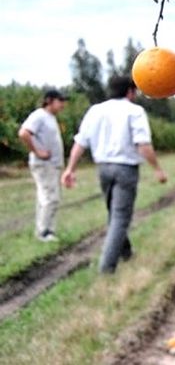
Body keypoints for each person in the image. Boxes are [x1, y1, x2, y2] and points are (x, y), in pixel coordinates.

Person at [61, 76, 167, 274]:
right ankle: (107, 267)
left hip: (103, 168)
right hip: (125, 168)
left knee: (114, 213)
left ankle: (126, 253)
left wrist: (70, 169)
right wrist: (158, 169)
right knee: (119, 216)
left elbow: (80, 142)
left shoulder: (96, 110)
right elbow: (143, 144)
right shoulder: (134, 111)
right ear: (130, 91)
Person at [18, 89, 68, 242]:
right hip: (44, 164)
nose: (63, 105)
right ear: (49, 100)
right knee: (50, 198)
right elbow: (24, 133)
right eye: (60, 101)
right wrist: (38, 151)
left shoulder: (50, 117)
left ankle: (45, 230)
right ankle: (44, 232)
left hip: (52, 165)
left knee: (46, 198)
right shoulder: (39, 116)